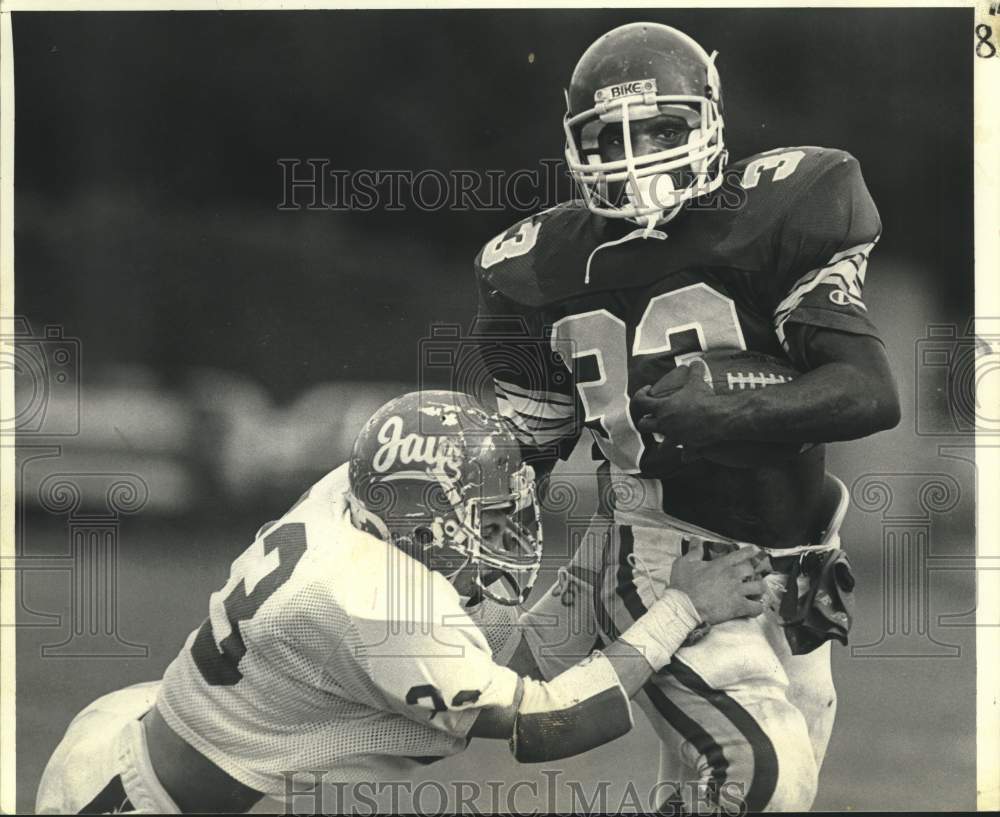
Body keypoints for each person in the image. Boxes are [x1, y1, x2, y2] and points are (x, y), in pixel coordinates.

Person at [471, 22, 900, 813]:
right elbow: (525, 450)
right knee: (763, 775)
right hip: (662, 554)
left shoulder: (784, 207)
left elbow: (871, 391)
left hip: (795, 566)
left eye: (663, 126)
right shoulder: (535, 269)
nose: (637, 155)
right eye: (611, 136)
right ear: (575, 147)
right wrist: (475, 576)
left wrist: (729, 410)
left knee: (742, 785)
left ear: (709, 120)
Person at [36, 390, 768, 814]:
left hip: (156, 729)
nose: (506, 533)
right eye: (486, 518)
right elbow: (549, 721)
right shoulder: (375, 602)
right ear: (421, 524)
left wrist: (608, 541)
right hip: (134, 799)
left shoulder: (353, 500)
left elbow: (503, 651)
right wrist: (682, 609)